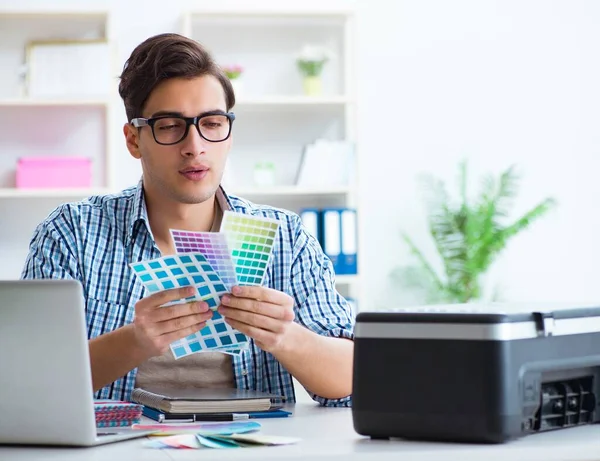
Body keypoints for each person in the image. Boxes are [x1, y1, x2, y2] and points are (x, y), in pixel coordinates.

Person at [21, 33, 354, 407]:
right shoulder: (72, 233)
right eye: (169, 125)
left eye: (211, 123)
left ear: (228, 133)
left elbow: (352, 378)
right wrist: (135, 341)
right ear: (134, 140)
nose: (195, 145)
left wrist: (283, 336)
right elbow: (30, 379)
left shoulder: (285, 237)